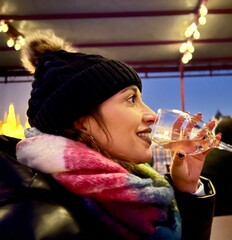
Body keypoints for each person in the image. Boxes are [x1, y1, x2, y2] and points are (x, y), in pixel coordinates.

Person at [0, 30, 220, 240]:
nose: (152, 115)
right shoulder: (36, 216)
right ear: (82, 122)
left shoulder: (133, 185)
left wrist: (187, 189)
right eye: (131, 99)